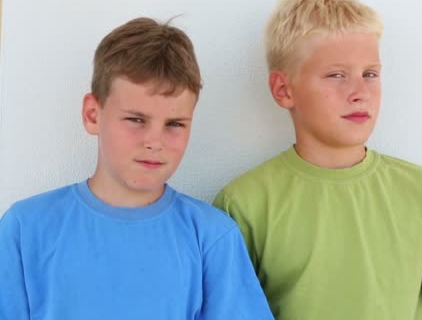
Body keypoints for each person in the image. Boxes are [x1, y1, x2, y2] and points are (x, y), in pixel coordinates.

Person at [213, 0, 422, 320]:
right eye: (336, 75)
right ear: (284, 90)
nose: (359, 93)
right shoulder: (243, 204)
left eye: (370, 74)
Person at [0, 17, 273, 320]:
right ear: (93, 114)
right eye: (136, 119)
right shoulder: (25, 229)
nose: (154, 142)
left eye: (174, 124)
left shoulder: (211, 237)